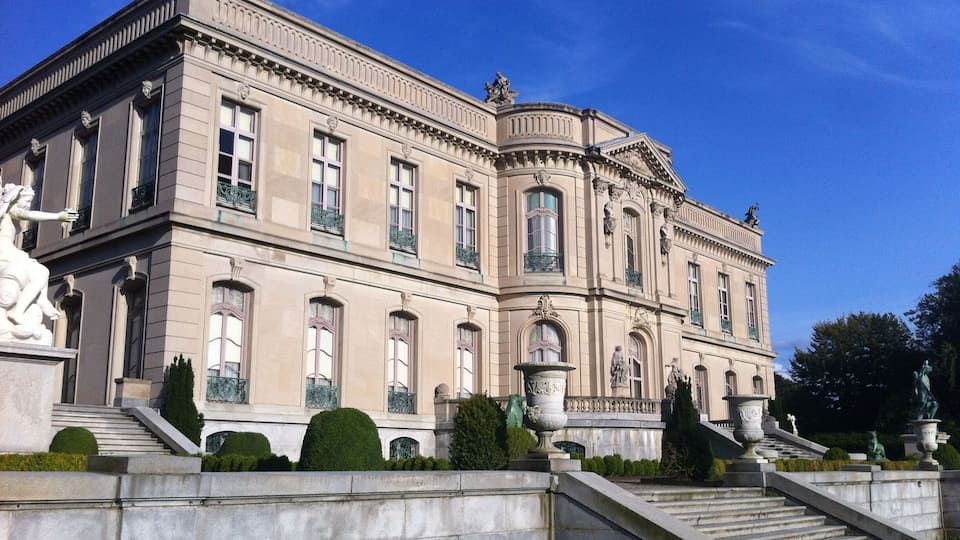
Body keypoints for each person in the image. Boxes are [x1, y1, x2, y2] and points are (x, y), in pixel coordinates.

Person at [0, 183, 78, 326]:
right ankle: (18, 312)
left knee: (43, 271)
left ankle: (35, 303)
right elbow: (29, 215)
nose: (28, 205)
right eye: (27, 201)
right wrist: (57, 216)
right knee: (37, 271)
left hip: (9, 251)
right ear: (15, 199)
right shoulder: (10, 211)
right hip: (4, 251)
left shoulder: (11, 214)